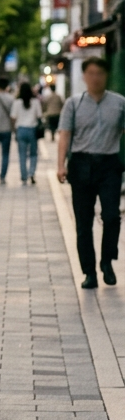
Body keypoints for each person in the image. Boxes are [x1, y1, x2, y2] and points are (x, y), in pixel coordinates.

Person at [56, 57, 125, 289]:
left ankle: (107, 261)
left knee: (112, 216)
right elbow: (64, 134)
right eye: (91, 73)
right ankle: (89, 272)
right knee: (83, 223)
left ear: (106, 76)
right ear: (84, 76)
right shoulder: (73, 104)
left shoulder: (119, 103)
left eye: (100, 73)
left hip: (109, 164)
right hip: (81, 165)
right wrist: (60, 164)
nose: (96, 78)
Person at [11, 82, 42, 186]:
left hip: (20, 130)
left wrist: (14, 130)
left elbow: (13, 118)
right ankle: (32, 173)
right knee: (33, 154)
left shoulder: (17, 103)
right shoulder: (35, 102)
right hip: (32, 130)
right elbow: (39, 116)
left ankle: (24, 176)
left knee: (22, 154)